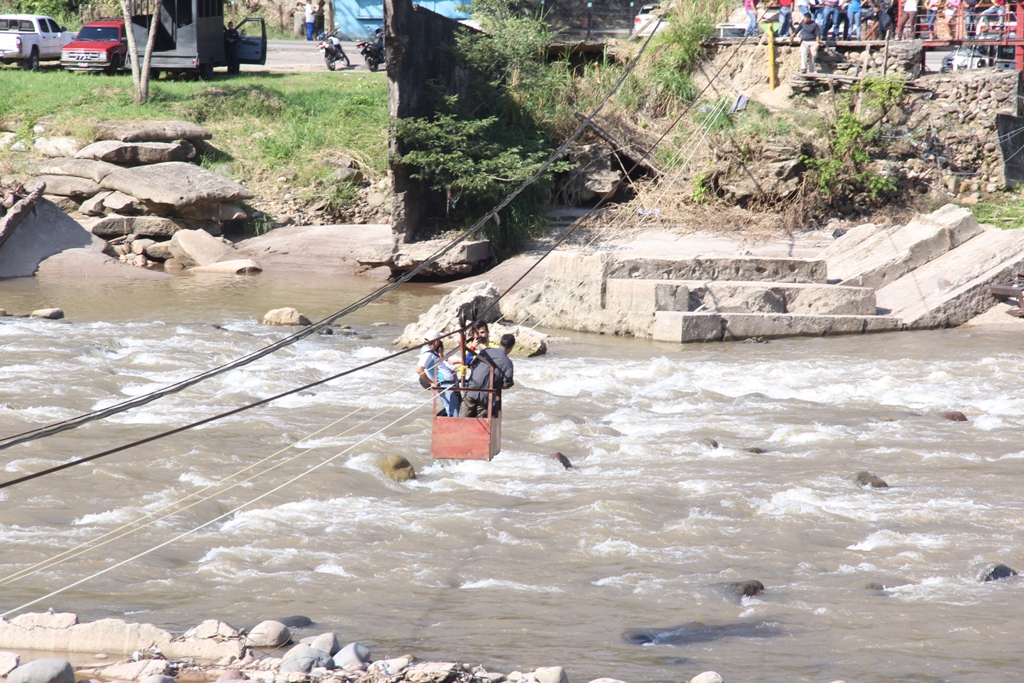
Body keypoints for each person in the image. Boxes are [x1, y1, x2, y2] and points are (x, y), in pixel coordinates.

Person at [460, 330, 515, 419]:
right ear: (511, 347)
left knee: (462, 420)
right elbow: (506, 385)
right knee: (480, 424)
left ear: (500, 342)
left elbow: (473, 365)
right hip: (486, 396)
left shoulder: (486, 351)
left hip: (471, 390)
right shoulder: (508, 363)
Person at [417, 331, 460, 418]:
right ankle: (453, 430)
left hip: (447, 384)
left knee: (453, 410)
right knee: (453, 412)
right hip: (445, 384)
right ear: (436, 342)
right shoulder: (428, 354)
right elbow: (419, 370)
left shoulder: (430, 353)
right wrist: (431, 383)